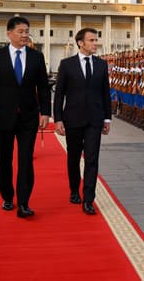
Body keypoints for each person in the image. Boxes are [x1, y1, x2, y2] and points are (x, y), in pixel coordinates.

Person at [0, 16, 51, 218]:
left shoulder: (36, 57)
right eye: (20, 31)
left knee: (26, 159)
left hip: (29, 117)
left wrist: (46, 112)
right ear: (9, 33)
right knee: (4, 158)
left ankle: (24, 203)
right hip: (2, 117)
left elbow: (43, 88)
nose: (24, 35)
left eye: (27, 31)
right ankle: (8, 197)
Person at [54, 28, 112, 216]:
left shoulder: (101, 65)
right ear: (81, 43)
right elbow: (59, 94)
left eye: (96, 40)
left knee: (92, 159)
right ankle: (73, 190)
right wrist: (58, 119)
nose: (95, 43)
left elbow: (105, 94)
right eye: (91, 40)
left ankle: (88, 200)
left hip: (95, 120)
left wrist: (107, 118)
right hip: (73, 119)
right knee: (73, 158)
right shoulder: (67, 64)